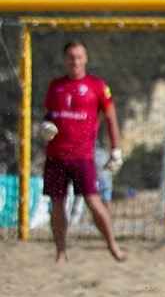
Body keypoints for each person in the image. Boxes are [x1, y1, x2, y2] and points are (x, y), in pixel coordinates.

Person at [41, 40, 125, 263]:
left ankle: (112, 245)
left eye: (79, 56)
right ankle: (61, 252)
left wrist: (116, 149)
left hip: (83, 155)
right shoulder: (55, 86)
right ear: (65, 59)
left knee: (94, 201)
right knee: (57, 204)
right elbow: (48, 117)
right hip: (56, 155)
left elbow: (110, 119)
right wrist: (45, 126)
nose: (75, 61)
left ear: (86, 58)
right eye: (71, 57)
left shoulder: (97, 86)